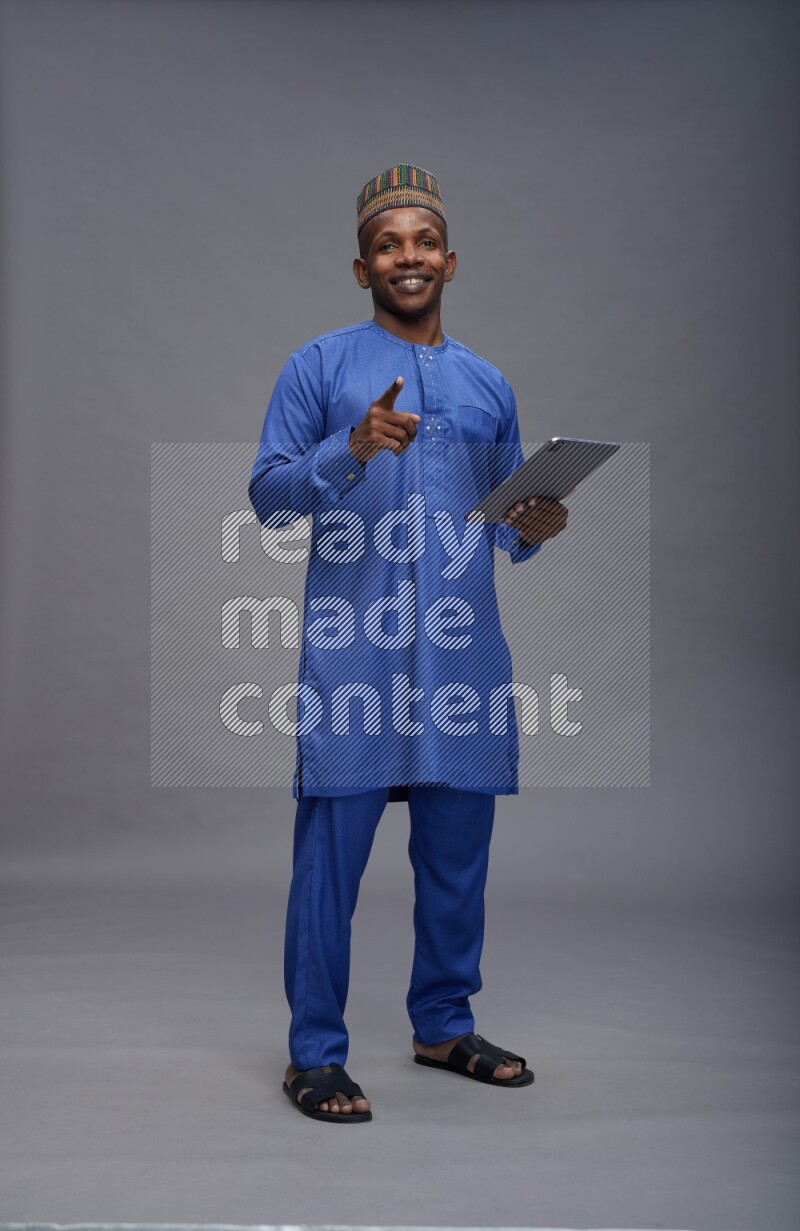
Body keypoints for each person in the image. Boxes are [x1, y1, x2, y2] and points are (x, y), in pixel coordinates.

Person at [249, 164, 568, 1123]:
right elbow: (266, 496)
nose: (409, 257)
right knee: (330, 861)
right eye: (389, 244)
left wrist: (535, 527)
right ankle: (313, 1053)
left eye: (423, 241)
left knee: (457, 855)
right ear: (362, 267)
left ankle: (442, 1024)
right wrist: (349, 449)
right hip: (355, 651)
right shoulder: (319, 366)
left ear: (451, 260)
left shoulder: (487, 381)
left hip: (462, 656)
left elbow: (505, 521)